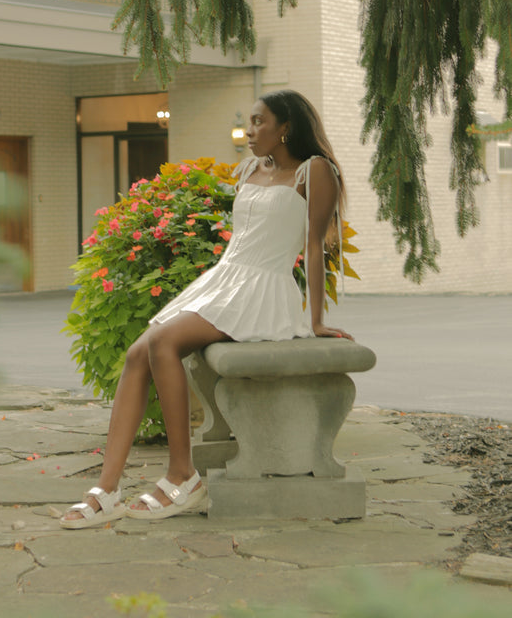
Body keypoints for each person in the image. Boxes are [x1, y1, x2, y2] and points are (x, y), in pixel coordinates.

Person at [60, 90, 354, 529]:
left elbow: (312, 247)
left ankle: (183, 476)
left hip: (264, 289)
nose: (250, 131)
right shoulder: (253, 168)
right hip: (224, 279)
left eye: (259, 122)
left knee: (163, 343)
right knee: (137, 353)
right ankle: (107, 488)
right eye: (249, 123)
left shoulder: (314, 172)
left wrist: (315, 320)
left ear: (285, 127)